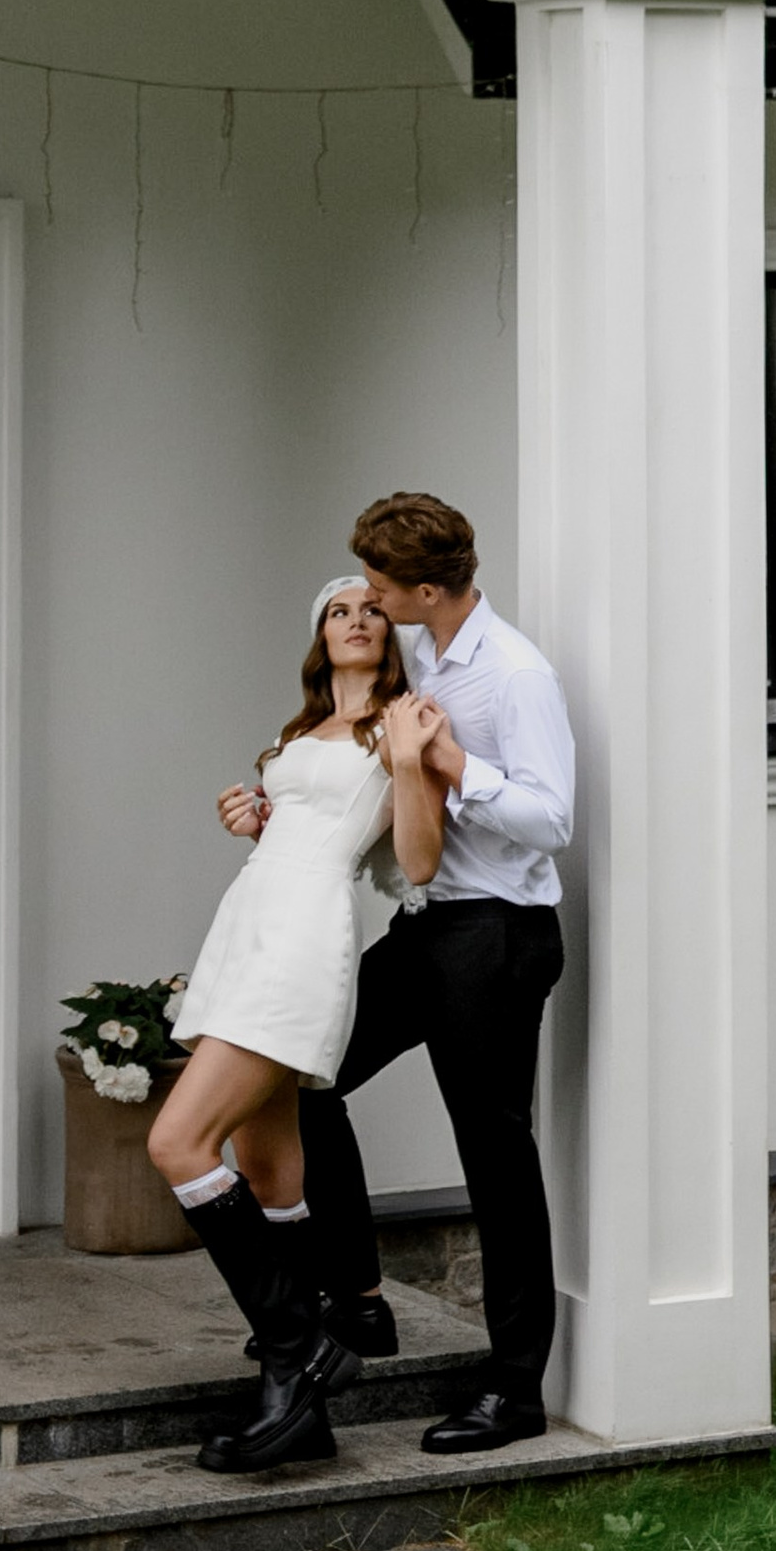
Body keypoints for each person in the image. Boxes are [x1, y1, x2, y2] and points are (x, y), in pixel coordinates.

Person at [149, 576, 448, 1473]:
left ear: (392, 633)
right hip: (249, 923)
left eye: (370, 609)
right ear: (319, 634)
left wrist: (406, 767)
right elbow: (302, 831)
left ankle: (301, 1347)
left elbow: (419, 859)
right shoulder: (301, 731)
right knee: (268, 1163)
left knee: (177, 1143)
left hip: (304, 941)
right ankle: (297, 1410)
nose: (355, 620)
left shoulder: (408, 723)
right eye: (336, 610)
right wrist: (256, 824)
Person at [297, 490, 574, 1453]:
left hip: (498, 934)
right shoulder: (423, 656)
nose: (366, 599)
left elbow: (552, 820)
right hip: (427, 928)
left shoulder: (514, 676)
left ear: (423, 588)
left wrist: (458, 767)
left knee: (494, 1157)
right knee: (307, 1074)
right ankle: (361, 1297)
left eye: (378, 585)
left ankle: (514, 1392)